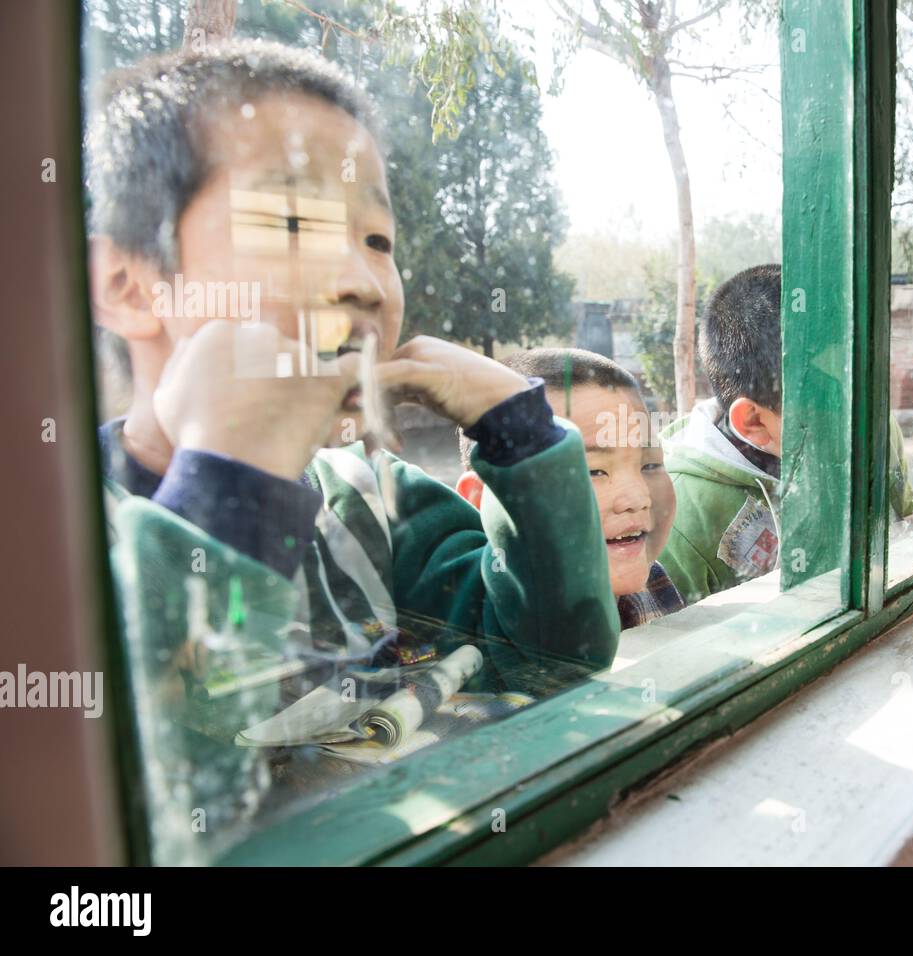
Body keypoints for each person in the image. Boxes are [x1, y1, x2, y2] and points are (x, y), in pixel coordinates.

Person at [86, 40, 621, 709]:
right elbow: (144, 765)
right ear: (130, 286)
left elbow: (549, 665)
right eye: (290, 223)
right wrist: (230, 489)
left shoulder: (372, 501)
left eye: (377, 240)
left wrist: (521, 429)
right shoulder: (50, 533)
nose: (362, 283)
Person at [659, 264, 913, 604]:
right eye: (829, 408)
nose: (860, 420)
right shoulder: (678, 521)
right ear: (753, 420)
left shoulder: (874, 426)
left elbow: (905, 534)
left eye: (861, 383)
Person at [457, 349, 683, 630]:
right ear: (481, 500)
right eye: (592, 471)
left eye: (649, 465)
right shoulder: (477, 644)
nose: (637, 498)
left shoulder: (654, 585)